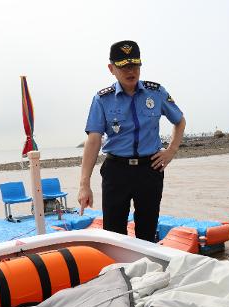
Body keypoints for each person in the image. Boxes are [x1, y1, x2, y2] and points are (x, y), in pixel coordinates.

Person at [78, 40, 186, 242]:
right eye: (124, 66)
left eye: (135, 65)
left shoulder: (157, 92)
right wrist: (84, 184)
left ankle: (147, 272)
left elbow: (179, 121)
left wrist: (170, 151)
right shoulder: (102, 99)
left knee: (147, 230)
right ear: (112, 69)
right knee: (113, 233)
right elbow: (93, 140)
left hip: (150, 170)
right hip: (116, 171)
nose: (131, 71)